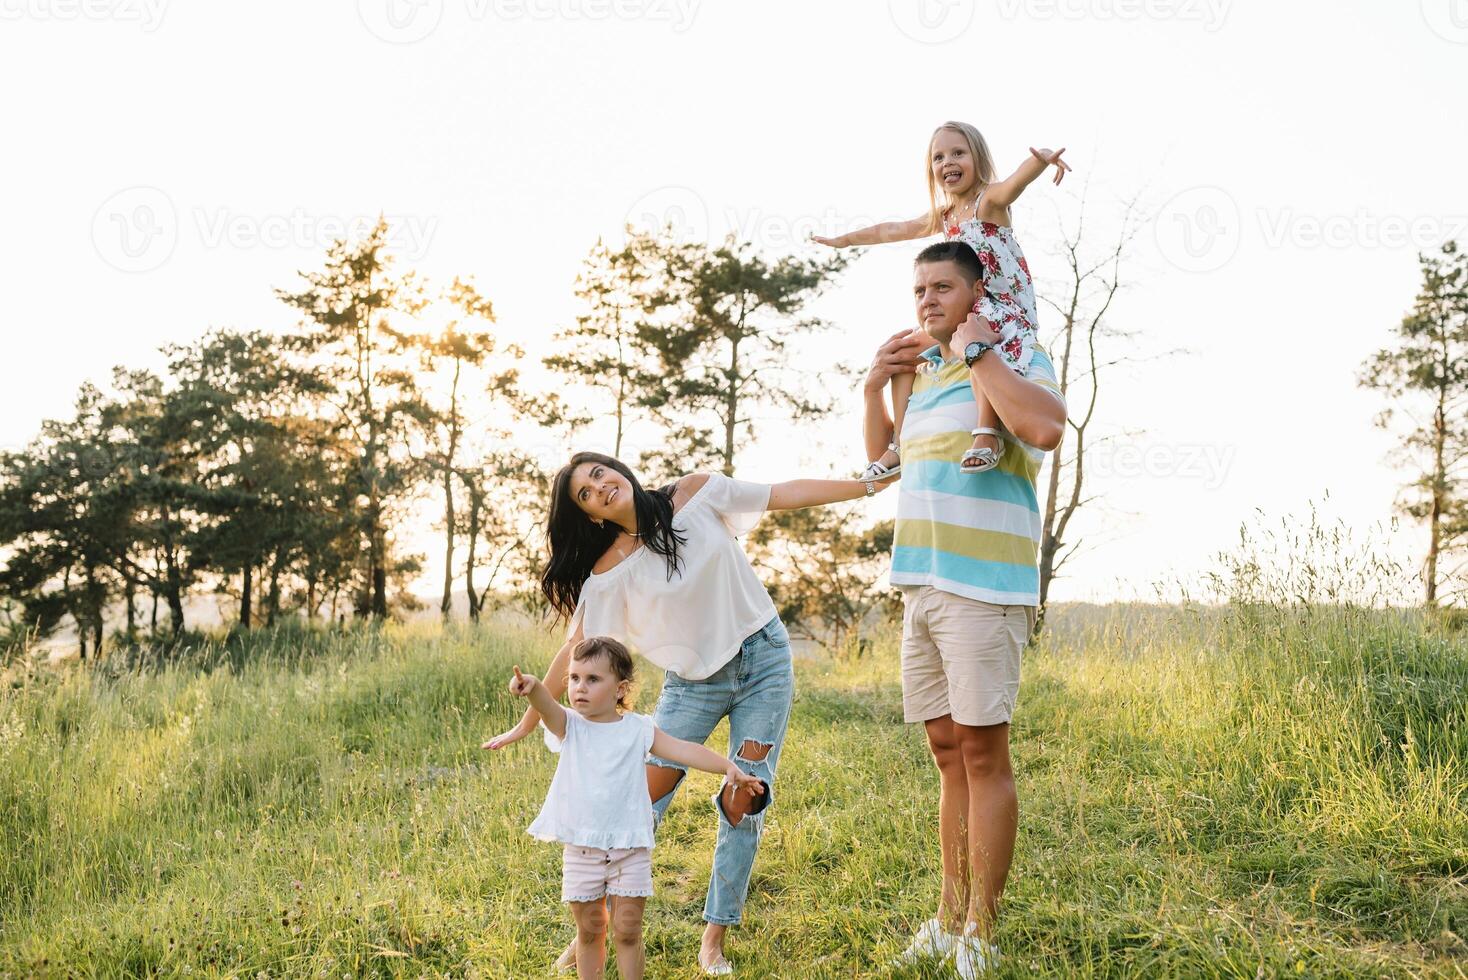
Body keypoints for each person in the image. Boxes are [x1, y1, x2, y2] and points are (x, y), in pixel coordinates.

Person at [485, 452, 889, 975]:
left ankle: (714, 936)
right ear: (590, 516)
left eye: (599, 474)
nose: (599, 488)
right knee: (639, 797)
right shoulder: (608, 572)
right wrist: (528, 720)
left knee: (744, 797)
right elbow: (576, 647)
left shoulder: (696, 494)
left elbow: (780, 492)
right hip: (692, 685)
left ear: (618, 470)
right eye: (585, 493)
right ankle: (595, 925)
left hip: (763, 661)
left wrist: (866, 486)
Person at [862, 240, 1066, 977]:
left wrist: (984, 355)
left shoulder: (1010, 357)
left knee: (984, 754)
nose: (927, 300)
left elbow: (1044, 429)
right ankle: (949, 918)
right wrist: (873, 390)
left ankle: (982, 928)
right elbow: (883, 468)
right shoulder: (929, 374)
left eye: (943, 286)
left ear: (979, 292)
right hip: (921, 583)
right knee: (947, 755)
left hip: (985, 589)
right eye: (918, 289)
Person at [813, 120, 1070, 478]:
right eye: (938, 157)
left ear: (977, 159)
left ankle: (987, 433)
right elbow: (894, 229)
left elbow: (1015, 183)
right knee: (904, 351)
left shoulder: (989, 201)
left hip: (1003, 308)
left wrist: (1041, 160)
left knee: (972, 341)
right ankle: (899, 444)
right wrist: (846, 240)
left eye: (958, 153)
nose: (947, 162)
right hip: (967, 307)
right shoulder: (944, 216)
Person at [507, 636, 764, 979]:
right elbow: (546, 707)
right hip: (584, 851)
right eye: (574, 678)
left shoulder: (638, 729)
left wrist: (728, 767)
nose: (580, 688)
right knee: (590, 931)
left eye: (593, 679)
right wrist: (534, 687)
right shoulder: (570, 726)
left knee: (627, 932)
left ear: (620, 688)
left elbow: (684, 750)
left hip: (630, 850)